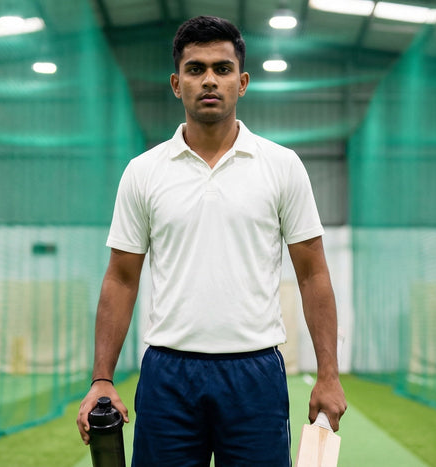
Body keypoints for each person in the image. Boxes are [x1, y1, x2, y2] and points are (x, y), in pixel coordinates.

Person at [76, 15, 346, 466]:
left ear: (241, 83)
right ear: (175, 83)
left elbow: (314, 273)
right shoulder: (143, 172)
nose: (208, 80)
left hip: (255, 374)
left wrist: (329, 374)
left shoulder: (282, 166)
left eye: (221, 69)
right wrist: (101, 378)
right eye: (195, 68)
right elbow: (122, 279)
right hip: (168, 375)